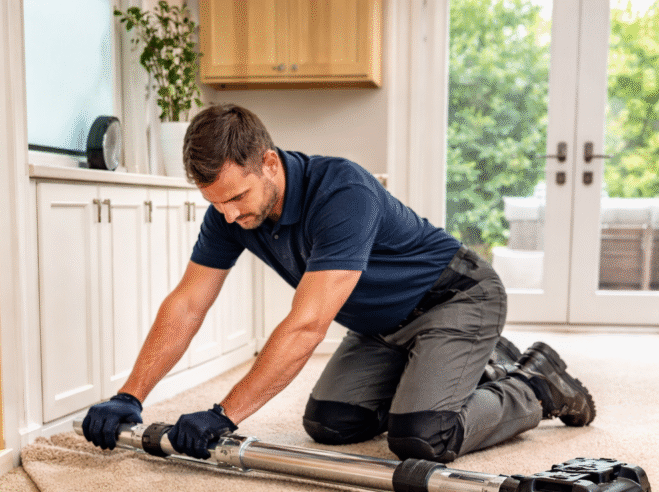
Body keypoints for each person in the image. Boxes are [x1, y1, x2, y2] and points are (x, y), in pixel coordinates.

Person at [82, 103, 595, 461]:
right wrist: (131, 395)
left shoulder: (342, 191)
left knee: (422, 437)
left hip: (455, 298)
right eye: (216, 202)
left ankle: (536, 385)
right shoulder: (229, 213)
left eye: (237, 197)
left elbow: (307, 326)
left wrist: (224, 414)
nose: (229, 214)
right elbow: (188, 304)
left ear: (268, 162)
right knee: (330, 424)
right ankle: (457, 370)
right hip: (379, 326)